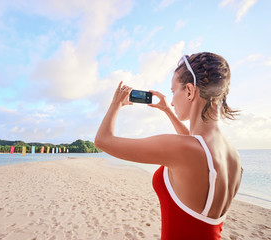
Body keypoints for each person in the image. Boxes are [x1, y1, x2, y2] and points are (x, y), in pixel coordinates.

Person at [95, 52, 242, 239]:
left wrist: (116, 103)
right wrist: (166, 110)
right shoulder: (232, 155)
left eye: (173, 92)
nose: (171, 101)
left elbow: (103, 140)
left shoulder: (182, 149)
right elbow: (196, 145)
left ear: (189, 91)